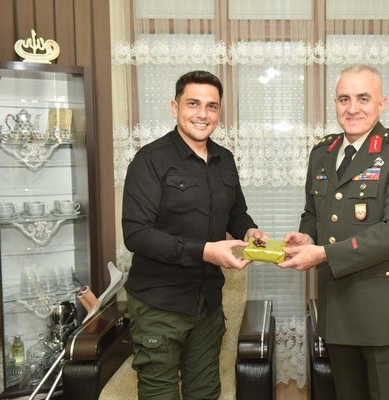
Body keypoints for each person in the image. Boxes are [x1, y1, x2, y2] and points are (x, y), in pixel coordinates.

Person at [279, 64, 389, 400]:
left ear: (382, 103)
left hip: (386, 316)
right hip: (338, 310)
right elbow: (313, 213)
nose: (352, 108)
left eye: (363, 98)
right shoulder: (322, 153)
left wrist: (323, 253)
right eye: (344, 99)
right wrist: (307, 238)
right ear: (335, 103)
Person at [122, 70, 265, 400]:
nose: (203, 114)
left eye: (212, 106)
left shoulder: (224, 159)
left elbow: (236, 213)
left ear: (219, 112)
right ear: (175, 107)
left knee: (205, 393)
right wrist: (206, 251)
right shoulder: (149, 160)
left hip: (207, 304)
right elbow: (137, 234)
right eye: (193, 104)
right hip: (159, 305)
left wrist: (250, 230)